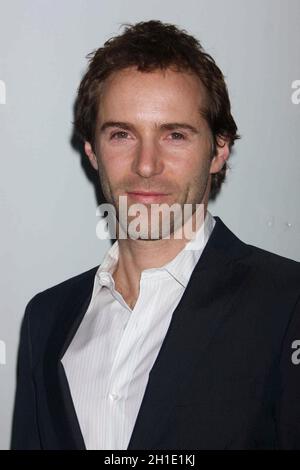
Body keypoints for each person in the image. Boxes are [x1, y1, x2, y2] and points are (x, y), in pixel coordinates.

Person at [11, 20, 300, 450]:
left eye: (175, 135)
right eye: (122, 134)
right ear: (92, 150)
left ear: (219, 149)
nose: (147, 165)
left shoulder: (287, 301)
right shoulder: (46, 318)